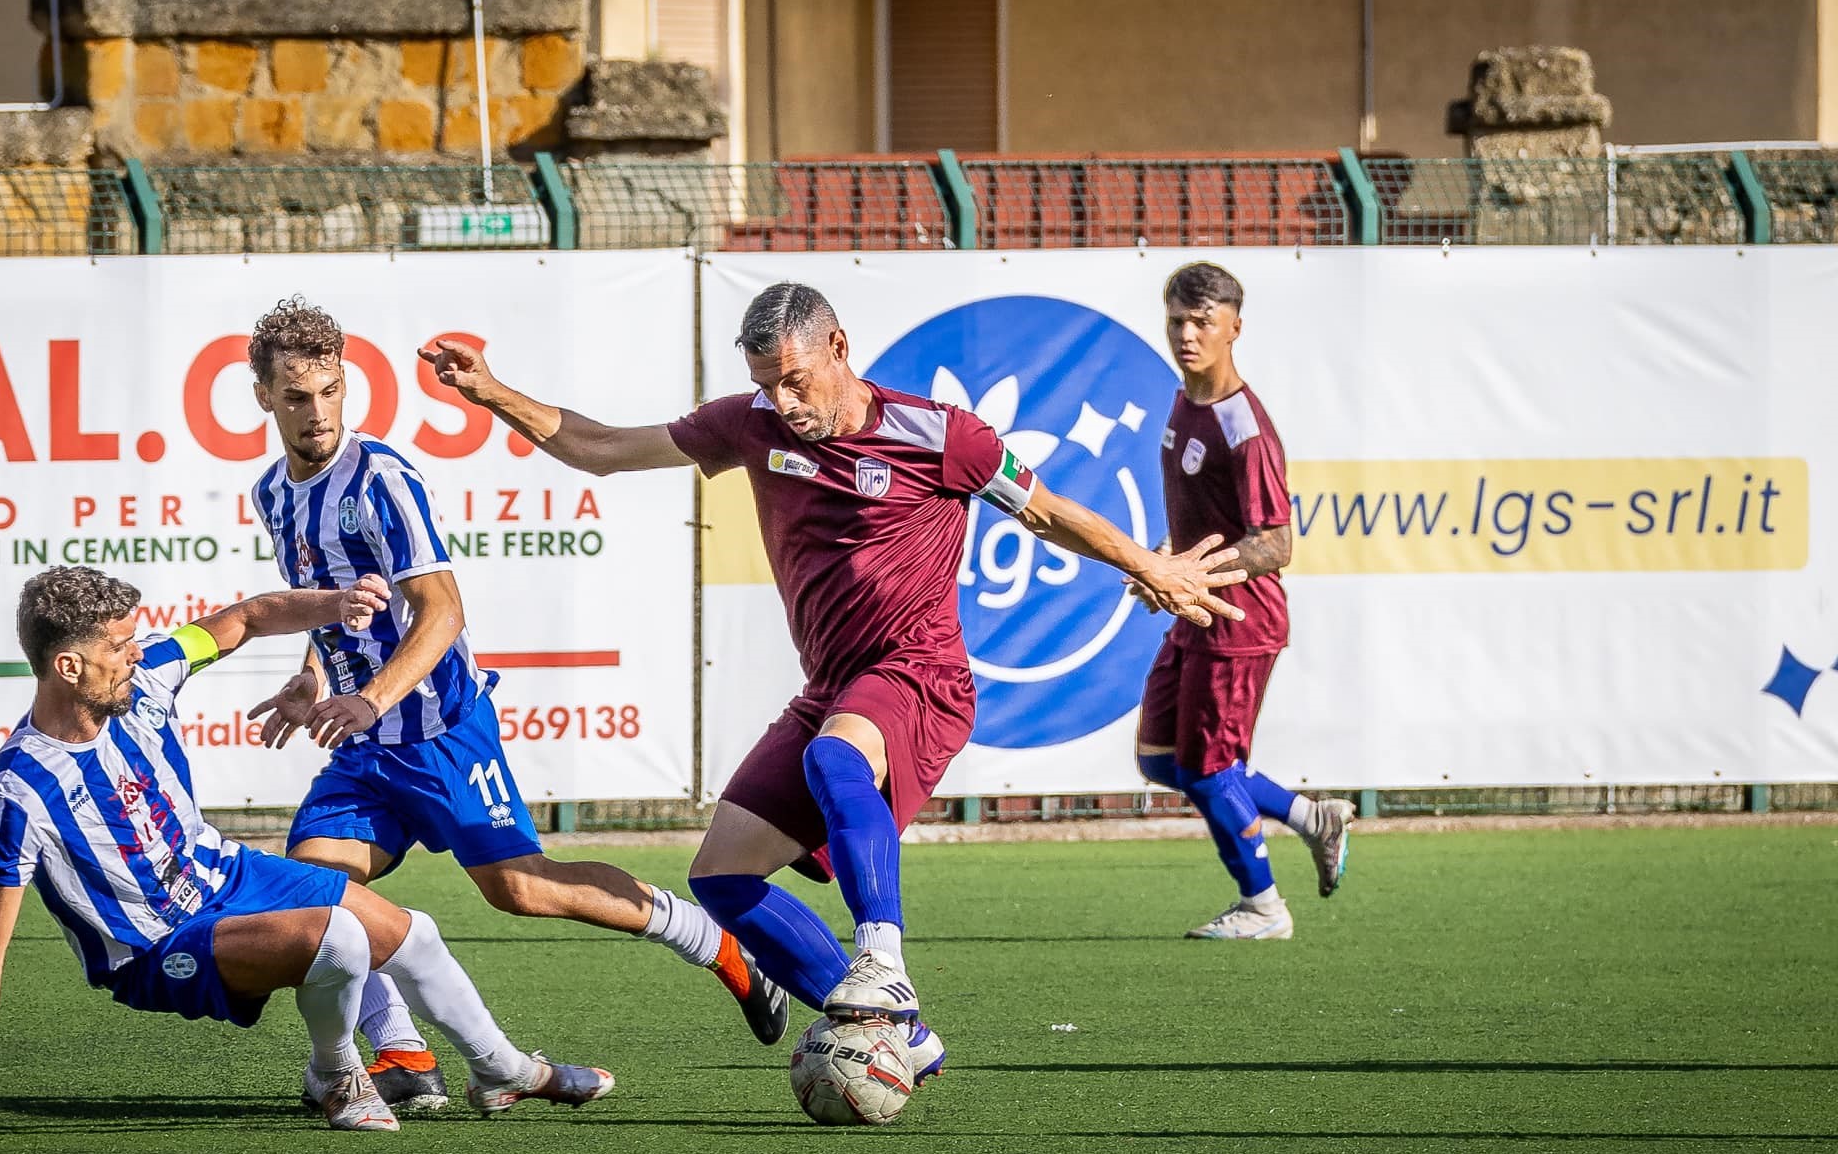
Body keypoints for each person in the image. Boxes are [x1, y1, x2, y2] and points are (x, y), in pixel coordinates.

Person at [420, 281, 1248, 1085]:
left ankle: (882, 959)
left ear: (839, 347)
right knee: (722, 878)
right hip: (833, 686)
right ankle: (901, 1036)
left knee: (835, 758)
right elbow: (601, 448)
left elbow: (1048, 511)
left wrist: (1151, 567)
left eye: (795, 379)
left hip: (920, 673)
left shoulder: (941, 434)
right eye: (766, 384)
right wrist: (491, 392)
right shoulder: (748, 423)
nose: (783, 402)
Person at [240, 298, 788, 1112]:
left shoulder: (380, 479)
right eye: (295, 396)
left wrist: (372, 699)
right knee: (317, 892)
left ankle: (715, 944)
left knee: (522, 889)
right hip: (364, 743)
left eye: (329, 391)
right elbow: (341, 606)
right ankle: (403, 1055)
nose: (316, 412)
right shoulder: (273, 493)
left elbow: (442, 612)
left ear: (346, 384)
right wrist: (315, 676)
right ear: (264, 397)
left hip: (439, 732)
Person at [0, 567, 611, 1144]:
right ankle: (336, 1076)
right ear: (68, 665)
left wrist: (336, 605)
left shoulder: (149, 678)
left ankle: (504, 1070)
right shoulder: (21, 791)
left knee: (412, 933)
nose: (138, 653)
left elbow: (245, 616)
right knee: (338, 939)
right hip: (155, 947)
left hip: (226, 873)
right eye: (120, 646)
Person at [1129, 262, 1354, 941]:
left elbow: (1277, 543)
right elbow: (1205, 519)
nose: (1187, 334)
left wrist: (1188, 573)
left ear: (1235, 328)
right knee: (1160, 760)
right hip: (1197, 610)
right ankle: (1312, 817)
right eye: (1178, 320)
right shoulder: (1185, 401)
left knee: (1208, 769)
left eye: (1204, 322)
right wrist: (1167, 561)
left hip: (1239, 621)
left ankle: (1263, 907)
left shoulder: (1243, 426)